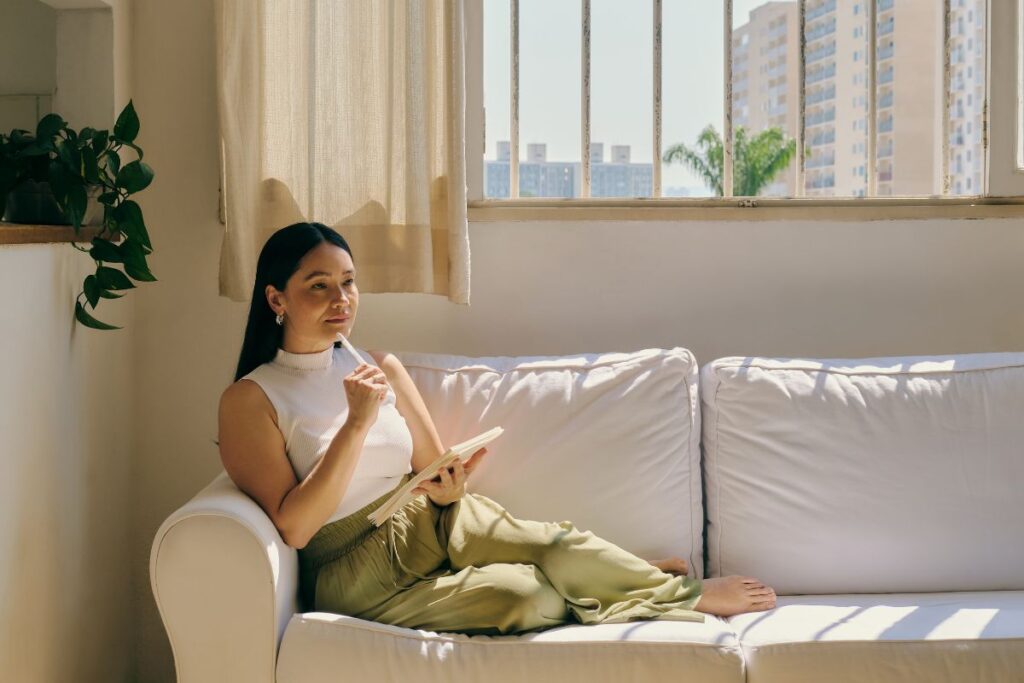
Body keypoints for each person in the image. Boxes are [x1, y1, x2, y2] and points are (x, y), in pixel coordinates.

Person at [218, 221, 776, 635]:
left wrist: (450, 484)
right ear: (276, 298)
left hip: (426, 515)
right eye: (319, 285)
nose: (341, 300)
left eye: (348, 282)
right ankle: (609, 578)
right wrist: (355, 426)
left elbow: (432, 466)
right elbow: (294, 528)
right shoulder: (250, 400)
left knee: (555, 541)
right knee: (525, 599)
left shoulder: (379, 363)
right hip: (354, 568)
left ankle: (679, 594)